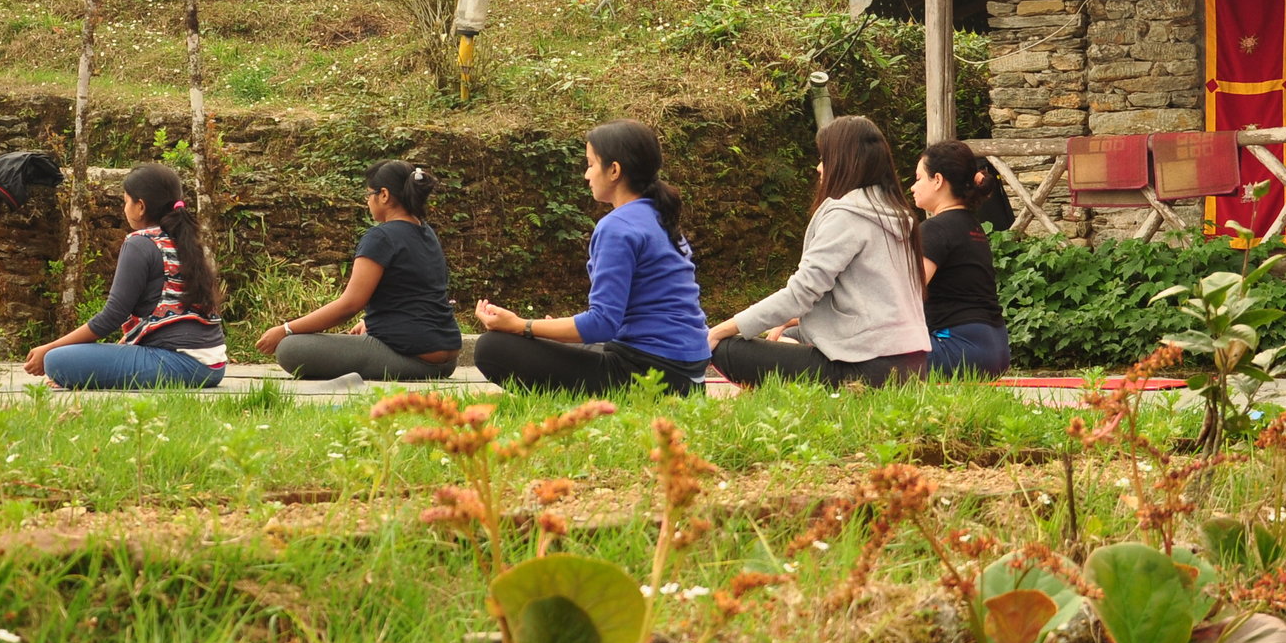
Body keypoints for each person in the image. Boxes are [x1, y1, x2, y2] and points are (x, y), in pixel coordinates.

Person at [474, 121, 712, 395]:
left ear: (614, 170)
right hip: (685, 374)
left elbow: (602, 323)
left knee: (492, 348)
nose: (587, 175)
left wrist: (521, 326)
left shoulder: (618, 226)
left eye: (590, 164)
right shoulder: (660, 218)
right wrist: (550, 329)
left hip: (647, 376)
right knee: (558, 341)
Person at [708, 116, 930, 387]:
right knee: (793, 332)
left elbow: (800, 294)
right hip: (912, 367)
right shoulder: (898, 215)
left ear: (845, 162)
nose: (819, 168)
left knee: (726, 348)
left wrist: (719, 330)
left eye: (825, 158)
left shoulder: (847, 215)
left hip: (864, 372)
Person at [23, 163, 225, 390]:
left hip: (180, 365)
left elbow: (111, 316)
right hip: (213, 367)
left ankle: (66, 369)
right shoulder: (185, 240)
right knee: (74, 358)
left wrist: (48, 348)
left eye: (125, 201)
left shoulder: (140, 242)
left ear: (140, 206)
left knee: (56, 360)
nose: (124, 208)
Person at [258, 161, 462, 380]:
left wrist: (286, 329)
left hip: (412, 358)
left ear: (384, 195)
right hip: (447, 359)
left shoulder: (381, 237)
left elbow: (349, 305)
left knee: (292, 348)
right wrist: (372, 322)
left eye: (369, 194)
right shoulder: (425, 231)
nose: (367, 201)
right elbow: (414, 291)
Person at [911, 140, 1014, 377]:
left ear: (937, 180)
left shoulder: (934, 229)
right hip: (996, 351)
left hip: (961, 350)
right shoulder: (972, 225)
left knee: (868, 360)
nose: (912, 187)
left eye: (918, 178)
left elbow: (908, 293)